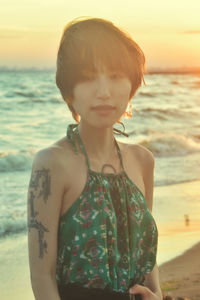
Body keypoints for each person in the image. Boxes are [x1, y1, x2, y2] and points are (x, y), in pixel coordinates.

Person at [27, 17, 162, 300]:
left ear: (132, 85)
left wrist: (157, 295)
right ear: (69, 92)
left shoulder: (142, 160)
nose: (103, 92)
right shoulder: (52, 164)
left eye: (114, 76)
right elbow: (42, 276)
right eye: (88, 77)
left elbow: (146, 257)